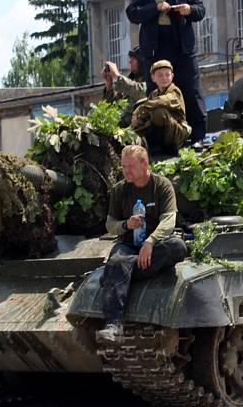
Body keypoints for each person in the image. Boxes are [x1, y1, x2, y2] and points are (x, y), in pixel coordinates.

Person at [96, 145, 188, 343]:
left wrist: (150, 242)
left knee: (178, 247)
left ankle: (119, 275)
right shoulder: (120, 190)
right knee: (118, 258)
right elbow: (110, 225)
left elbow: (169, 220)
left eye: (130, 166)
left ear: (145, 163)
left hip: (156, 245)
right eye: (123, 166)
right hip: (129, 245)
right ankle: (113, 324)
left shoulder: (161, 185)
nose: (126, 171)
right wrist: (126, 224)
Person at [125, 0, 207, 144]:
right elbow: (132, 14)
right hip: (155, 46)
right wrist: (155, 8)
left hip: (181, 44)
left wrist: (189, 9)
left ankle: (196, 136)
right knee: (155, 90)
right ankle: (158, 139)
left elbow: (200, 10)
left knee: (190, 88)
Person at [131, 60, 191, 155]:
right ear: (153, 78)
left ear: (172, 76)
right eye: (160, 75)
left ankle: (160, 147)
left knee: (158, 112)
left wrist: (141, 109)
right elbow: (147, 111)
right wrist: (138, 118)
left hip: (176, 134)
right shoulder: (154, 94)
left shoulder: (175, 91)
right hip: (164, 134)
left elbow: (163, 101)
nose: (164, 78)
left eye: (167, 75)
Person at [102, 46, 147, 128]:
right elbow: (110, 107)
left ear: (142, 62)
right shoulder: (127, 85)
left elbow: (138, 90)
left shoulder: (151, 84)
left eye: (134, 59)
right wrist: (109, 83)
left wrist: (117, 75)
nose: (130, 62)